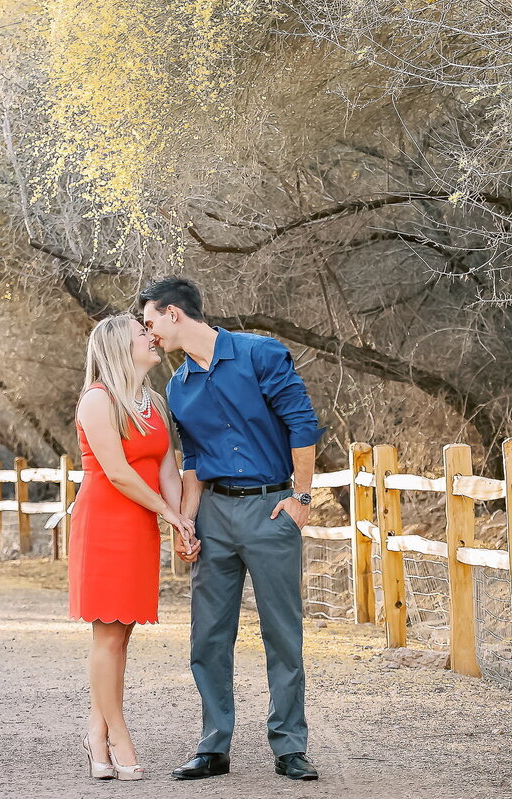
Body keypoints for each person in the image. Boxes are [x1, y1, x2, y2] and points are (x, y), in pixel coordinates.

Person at [140, 277, 323, 782]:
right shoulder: (178, 387)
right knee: (208, 636)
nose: (149, 333)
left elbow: (302, 426)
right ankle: (213, 746)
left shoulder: (260, 354)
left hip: (270, 509)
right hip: (214, 516)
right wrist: (186, 523)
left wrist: (301, 499)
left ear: (174, 314)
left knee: (282, 635)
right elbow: (194, 461)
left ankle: (289, 746)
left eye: (151, 322)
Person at [68, 314, 199, 781]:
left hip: (142, 522)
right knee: (107, 634)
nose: (151, 337)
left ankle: (95, 733)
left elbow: (167, 472)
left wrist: (182, 522)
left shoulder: (156, 403)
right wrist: (169, 514)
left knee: (122, 635)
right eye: (141, 334)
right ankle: (118, 735)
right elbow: (119, 473)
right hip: (104, 522)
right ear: (120, 348)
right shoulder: (97, 400)